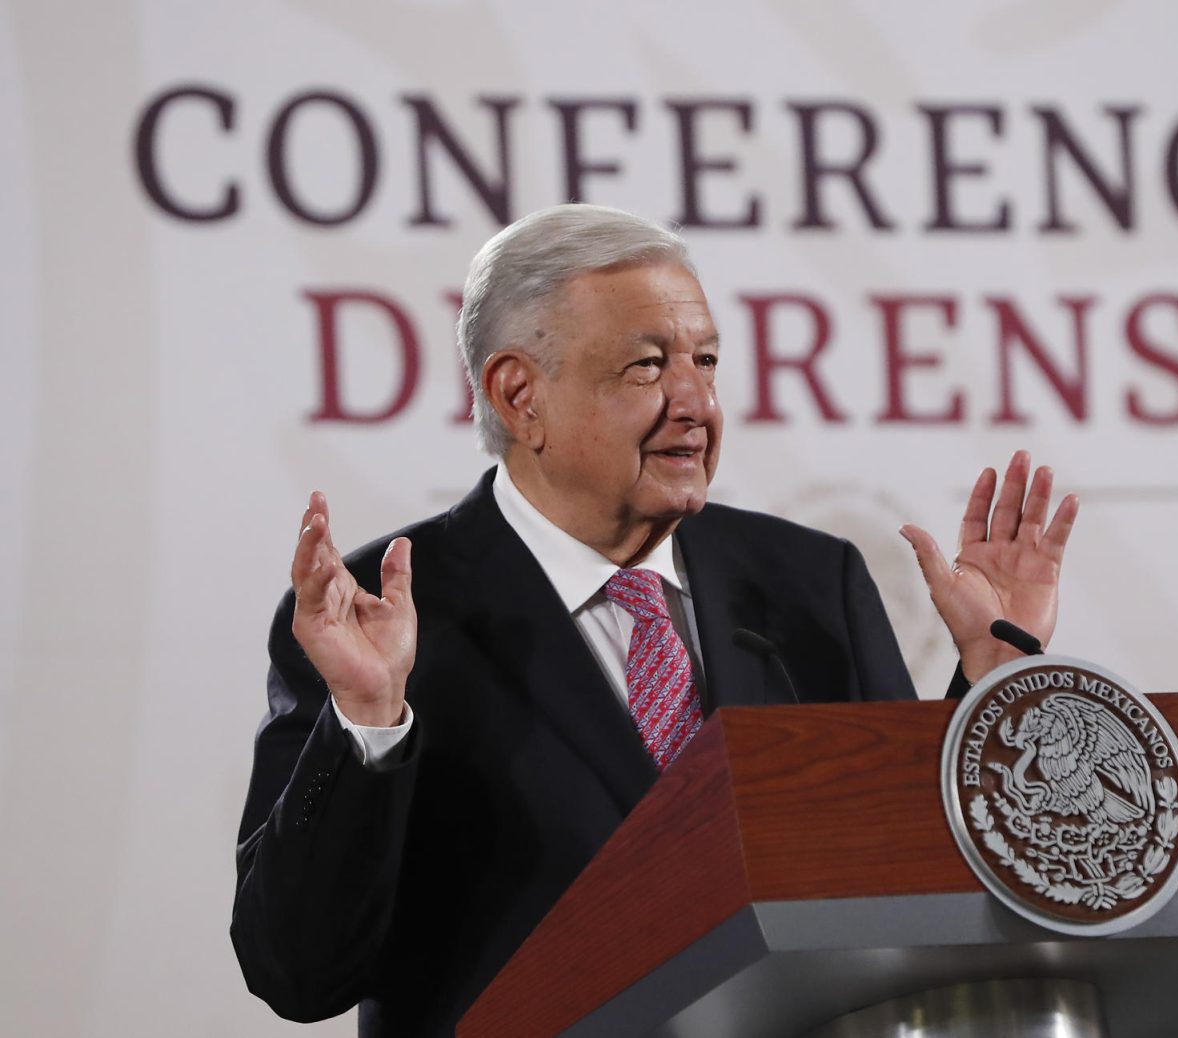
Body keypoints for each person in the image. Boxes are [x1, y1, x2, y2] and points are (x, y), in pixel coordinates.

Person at [231, 204, 1078, 1037]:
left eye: (704, 362)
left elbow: (904, 883)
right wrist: (367, 725)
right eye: (646, 367)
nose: (695, 403)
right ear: (520, 395)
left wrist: (996, 686)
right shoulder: (383, 618)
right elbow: (298, 974)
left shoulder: (811, 584)